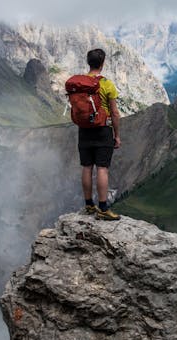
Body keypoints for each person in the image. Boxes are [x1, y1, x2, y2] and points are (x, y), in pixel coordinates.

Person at [78, 48, 121, 220]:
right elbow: (115, 113)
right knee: (102, 168)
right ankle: (103, 208)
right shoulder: (107, 84)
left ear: (88, 62)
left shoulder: (79, 84)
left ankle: (88, 205)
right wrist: (116, 135)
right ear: (102, 64)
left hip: (84, 130)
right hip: (103, 130)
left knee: (87, 167)